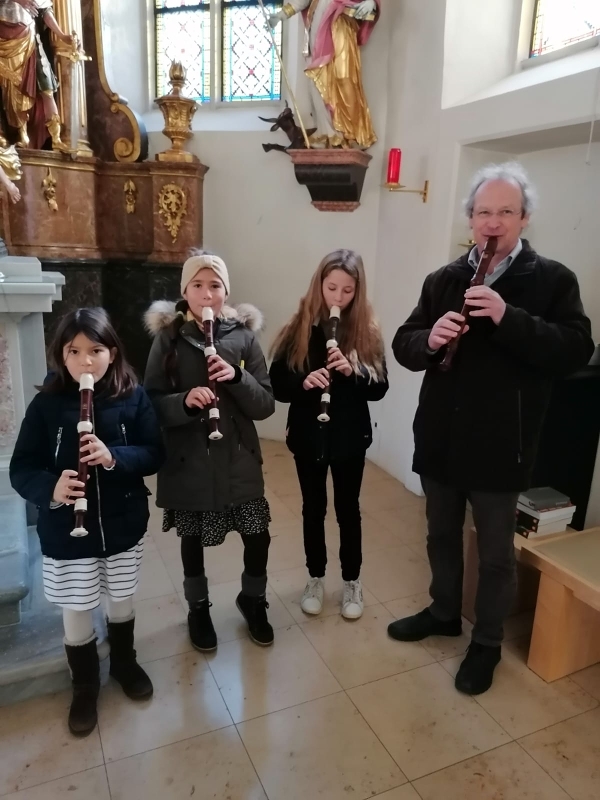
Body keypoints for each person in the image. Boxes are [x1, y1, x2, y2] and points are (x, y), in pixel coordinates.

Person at [388, 162, 595, 695]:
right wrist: (429, 339)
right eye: (483, 212)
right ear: (470, 220)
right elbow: (405, 343)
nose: (493, 222)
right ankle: (442, 612)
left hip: (503, 443)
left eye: (506, 211)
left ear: (524, 218)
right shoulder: (444, 279)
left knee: (496, 553)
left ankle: (487, 642)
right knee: (439, 533)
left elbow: (575, 349)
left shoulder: (553, 280)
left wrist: (508, 316)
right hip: (441, 435)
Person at [10, 308, 164, 736]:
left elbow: (155, 452)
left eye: (95, 350)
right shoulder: (46, 404)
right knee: (77, 605)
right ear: (61, 356)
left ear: (112, 353)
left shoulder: (133, 396)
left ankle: (124, 662)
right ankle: (84, 683)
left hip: (122, 524)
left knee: (121, 598)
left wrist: (114, 457)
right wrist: (53, 488)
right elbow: (21, 468)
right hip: (66, 532)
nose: (85, 361)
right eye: (74, 351)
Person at [143, 251, 276, 650]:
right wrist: (184, 402)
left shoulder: (243, 338)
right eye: (197, 286)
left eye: (214, 286)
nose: (206, 294)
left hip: (238, 458)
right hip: (189, 460)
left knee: (258, 536)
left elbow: (265, 404)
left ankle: (253, 599)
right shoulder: (168, 339)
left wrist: (236, 376)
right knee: (192, 540)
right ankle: (198, 608)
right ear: (184, 292)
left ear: (225, 292)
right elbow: (151, 403)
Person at [269, 249, 388, 619]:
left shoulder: (366, 331)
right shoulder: (299, 327)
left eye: (347, 291)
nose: (338, 297)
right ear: (319, 284)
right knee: (313, 509)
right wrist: (304, 381)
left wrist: (353, 372)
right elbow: (277, 384)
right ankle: (315, 577)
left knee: (348, 510)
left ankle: (352, 581)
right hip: (309, 435)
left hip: (350, 437)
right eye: (331, 288)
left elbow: (380, 388)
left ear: (357, 291)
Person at [269, 0, 379, 149]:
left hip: (341, 23)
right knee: (317, 78)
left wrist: (372, 2)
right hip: (319, 26)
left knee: (344, 78)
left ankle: (349, 132)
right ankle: (326, 132)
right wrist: (281, 15)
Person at [0, 0, 72, 150]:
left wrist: (62, 35)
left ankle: (56, 138)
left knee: (46, 86)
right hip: (5, 36)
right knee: (15, 88)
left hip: (29, 36)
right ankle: (22, 134)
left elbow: (44, 9)